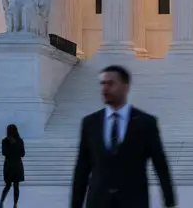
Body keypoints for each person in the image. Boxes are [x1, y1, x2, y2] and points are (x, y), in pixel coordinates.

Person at [71, 64, 176, 208]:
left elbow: (160, 164)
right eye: (103, 83)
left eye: (111, 83)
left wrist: (169, 201)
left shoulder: (146, 122)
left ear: (126, 87)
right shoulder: (90, 123)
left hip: (133, 202)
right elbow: (82, 168)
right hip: (98, 201)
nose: (105, 88)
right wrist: (75, 204)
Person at [0, 124, 25, 207]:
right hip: (17, 165)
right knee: (16, 186)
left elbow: (4, 153)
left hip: (9, 165)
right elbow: (23, 154)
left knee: (7, 185)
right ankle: (15, 204)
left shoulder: (4, 141)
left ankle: (1, 201)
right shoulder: (20, 141)